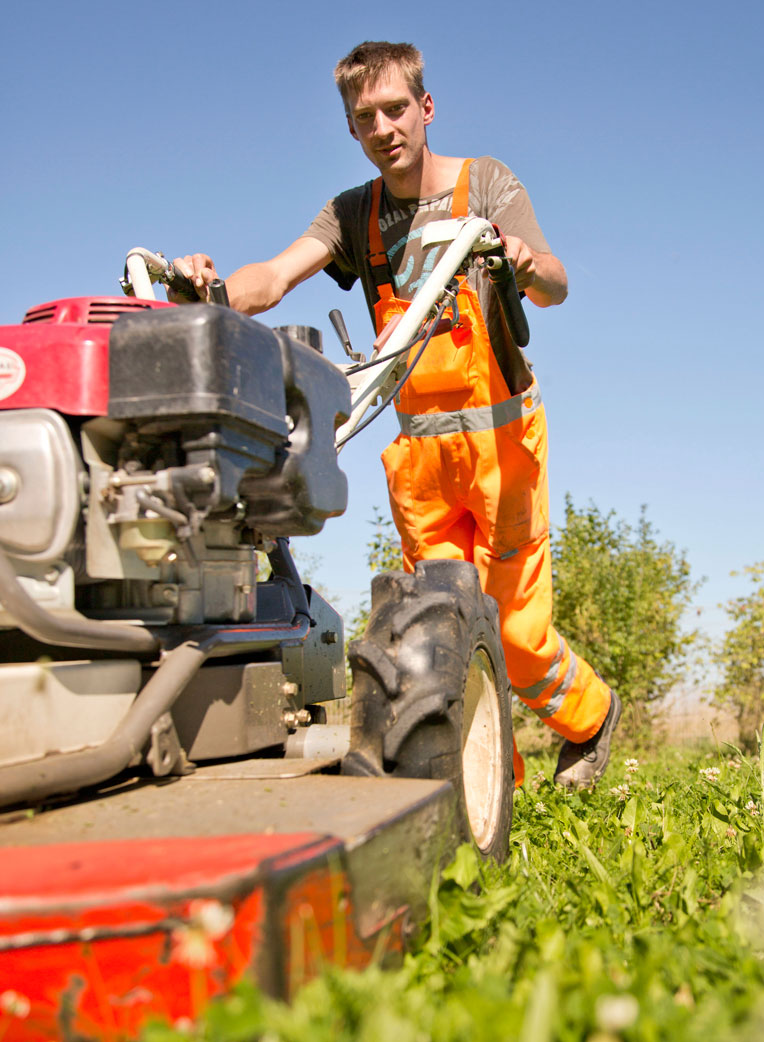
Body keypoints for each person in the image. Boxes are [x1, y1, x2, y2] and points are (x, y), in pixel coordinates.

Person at [173, 40, 620, 788]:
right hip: (421, 457)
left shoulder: (486, 185)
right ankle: (483, 785)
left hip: (503, 441)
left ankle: (592, 715)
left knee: (512, 631)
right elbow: (276, 274)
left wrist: (523, 261)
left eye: (395, 109)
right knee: (440, 630)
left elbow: (556, 285)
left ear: (426, 108)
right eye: (364, 118)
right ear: (351, 131)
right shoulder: (356, 213)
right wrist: (212, 291)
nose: (383, 127)